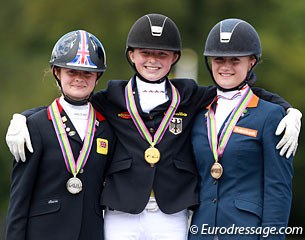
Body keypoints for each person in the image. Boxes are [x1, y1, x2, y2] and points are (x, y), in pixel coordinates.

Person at [5, 14, 301, 240]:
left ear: (174, 58)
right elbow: (74, 99)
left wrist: (289, 110)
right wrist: (24, 117)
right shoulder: (113, 96)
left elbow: (237, 90)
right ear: (131, 55)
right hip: (123, 211)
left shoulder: (189, 94)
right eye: (145, 53)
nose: (153, 60)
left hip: (170, 212)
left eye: (162, 54)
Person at [189, 18, 295, 240]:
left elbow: (278, 188)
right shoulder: (198, 113)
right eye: (219, 59)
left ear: (252, 62)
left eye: (235, 60)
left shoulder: (270, 115)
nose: (225, 66)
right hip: (201, 230)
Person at [5, 30, 116, 240]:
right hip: (44, 233)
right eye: (72, 71)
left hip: (90, 233)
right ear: (57, 72)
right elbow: (20, 199)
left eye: (87, 73)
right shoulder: (34, 127)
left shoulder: (106, 128)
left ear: (97, 76)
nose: (79, 79)